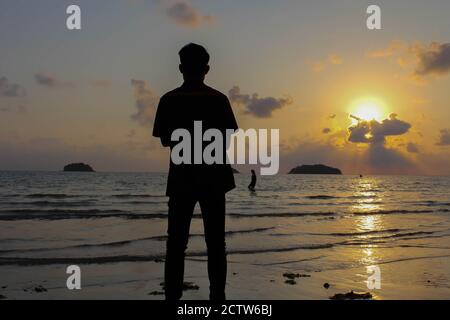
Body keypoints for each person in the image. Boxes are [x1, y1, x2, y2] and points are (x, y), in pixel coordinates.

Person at [152, 43, 238, 301]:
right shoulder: (219, 99)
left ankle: (173, 298)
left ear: (180, 68)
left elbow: (165, 140)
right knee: (216, 244)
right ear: (207, 69)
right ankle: (217, 298)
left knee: (176, 244)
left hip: (182, 178)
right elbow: (225, 138)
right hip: (215, 177)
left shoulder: (168, 99)